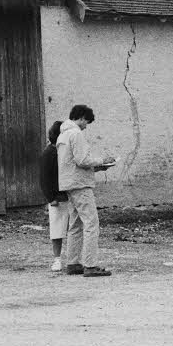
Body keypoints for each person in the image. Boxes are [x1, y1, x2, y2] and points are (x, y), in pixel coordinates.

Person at [56, 104, 116, 277]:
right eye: (86, 122)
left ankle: (73, 263)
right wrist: (102, 161)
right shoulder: (76, 134)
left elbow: (72, 163)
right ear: (81, 117)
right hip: (81, 185)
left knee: (75, 225)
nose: (86, 126)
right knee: (91, 223)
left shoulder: (63, 135)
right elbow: (82, 160)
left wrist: (96, 168)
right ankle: (90, 265)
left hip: (69, 184)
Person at [39, 120, 69, 272]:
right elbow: (44, 178)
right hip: (58, 197)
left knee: (73, 229)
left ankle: (73, 258)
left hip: (69, 195)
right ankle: (57, 259)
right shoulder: (49, 153)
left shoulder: (63, 151)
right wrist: (51, 198)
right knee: (57, 229)